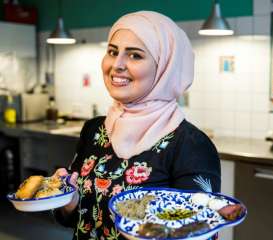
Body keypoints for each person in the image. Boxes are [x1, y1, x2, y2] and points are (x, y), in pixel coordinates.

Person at [53, 11, 221, 240]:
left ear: (165, 67)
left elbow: (200, 232)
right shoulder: (94, 130)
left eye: (135, 55)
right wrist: (68, 202)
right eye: (113, 52)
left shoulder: (192, 146)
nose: (117, 65)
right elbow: (77, 220)